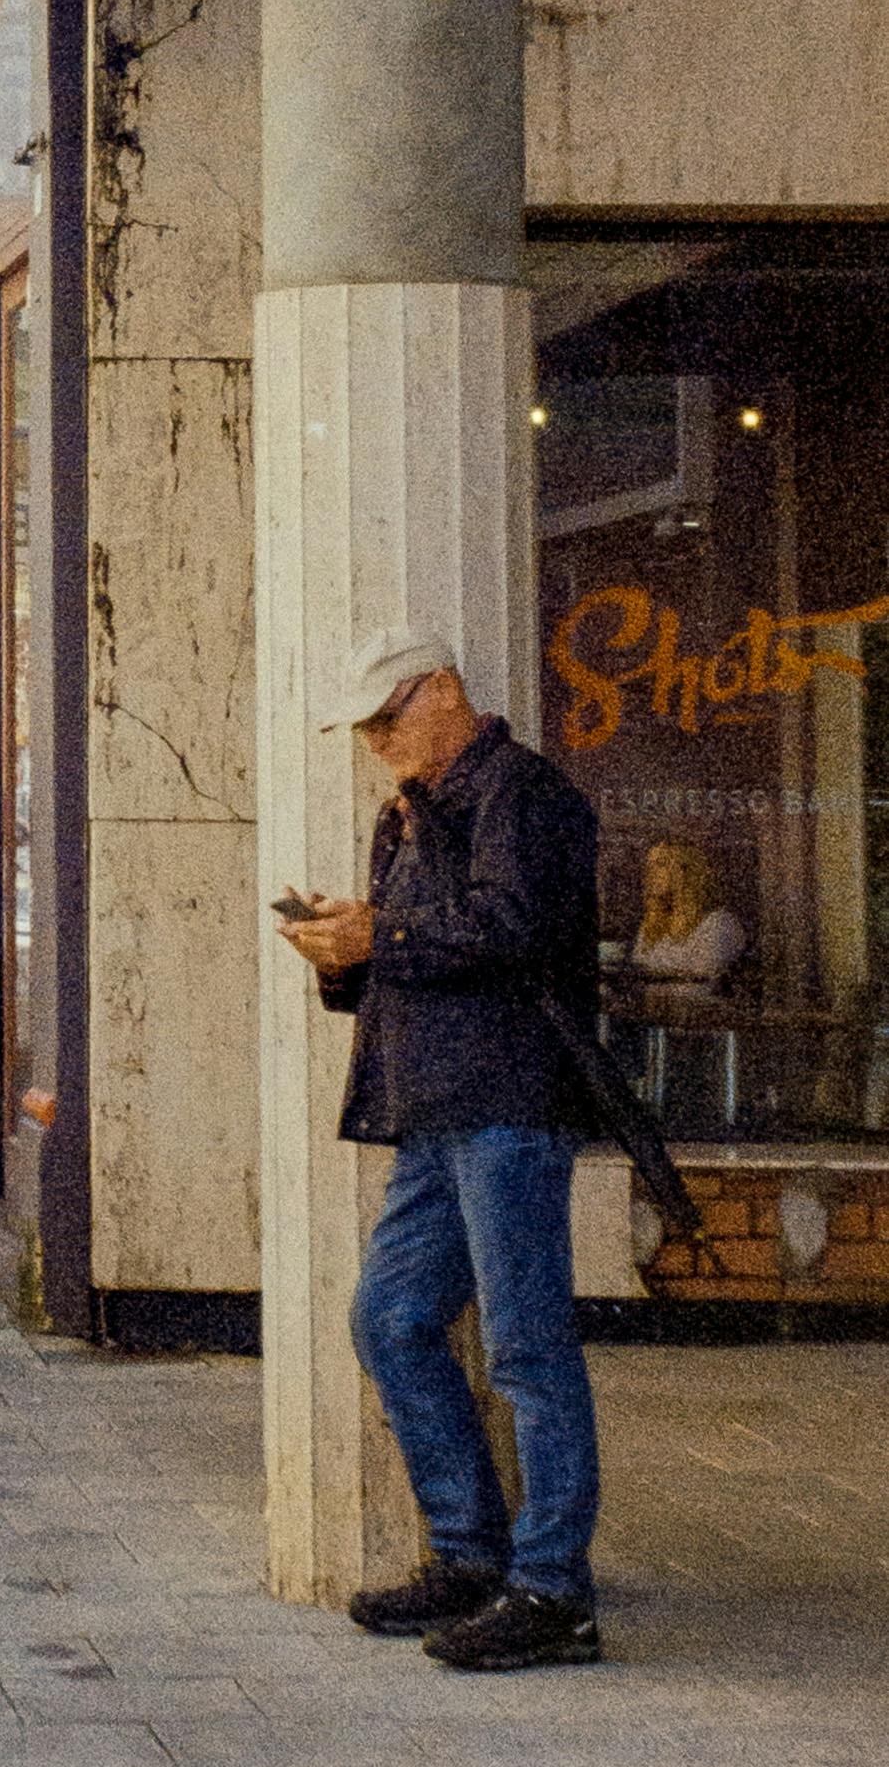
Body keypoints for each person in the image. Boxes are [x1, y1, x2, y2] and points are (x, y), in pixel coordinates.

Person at [276, 625, 607, 1674]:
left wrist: (380, 936)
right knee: (391, 1320)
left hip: (507, 1103)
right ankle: (472, 1556)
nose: (375, 739)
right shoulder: (411, 816)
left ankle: (552, 1589)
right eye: (365, 725)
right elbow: (411, 963)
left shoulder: (525, 795)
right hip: (437, 1109)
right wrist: (343, 953)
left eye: (387, 716)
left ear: (447, 692)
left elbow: (518, 928)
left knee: (526, 1348)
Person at [632, 837, 747, 990]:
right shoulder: (651, 926)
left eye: (661, 864)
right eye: (649, 865)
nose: (650, 873)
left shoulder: (719, 923)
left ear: (685, 870)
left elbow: (706, 978)